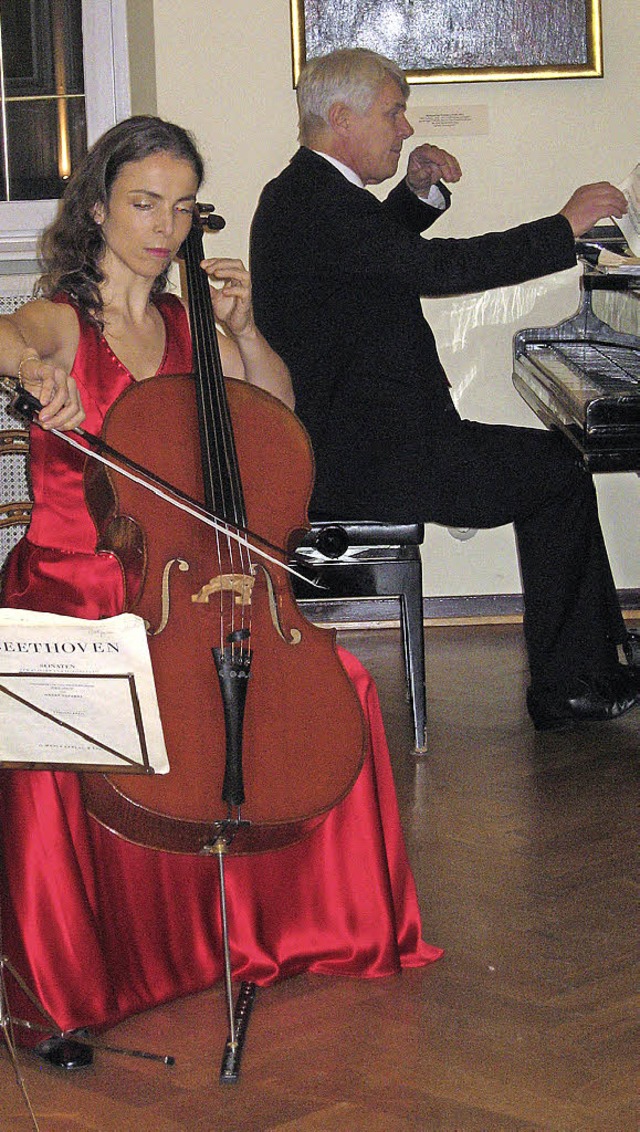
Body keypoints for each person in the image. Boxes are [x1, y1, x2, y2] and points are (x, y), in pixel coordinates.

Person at [0, 116, 441, 1069]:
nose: (163, 227)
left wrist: (243, 335)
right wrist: (35, 371)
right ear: (98, 207)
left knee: (343, 699)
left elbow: (274, 420)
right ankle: (62, 989)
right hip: (73, 588)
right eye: (142, 202)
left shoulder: (194, 321)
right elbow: (5, 337)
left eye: (182, 206)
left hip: (180, 587)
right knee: (66, 733)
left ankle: (297, 931)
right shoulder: (61, 316)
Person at [249, 46, 640, 733]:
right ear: (341, 117)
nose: (405, 129)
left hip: (373, 442)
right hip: (373, 460)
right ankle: (572, 684)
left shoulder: (310, 196)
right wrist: (564, 225)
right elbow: (435, 268)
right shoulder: (320, 204)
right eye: (393, 112)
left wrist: (417, 193)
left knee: (555, 467)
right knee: (559, 472)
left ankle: (594, 664)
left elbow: (375, 260)